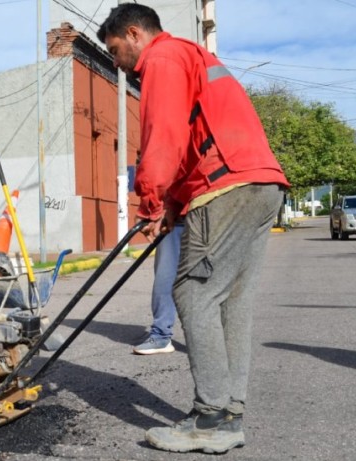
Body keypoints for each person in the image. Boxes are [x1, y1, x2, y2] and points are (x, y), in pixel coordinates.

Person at [98, 4, 289, 454]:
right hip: (260, 185)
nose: (115, 60)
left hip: (226, 188)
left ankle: (209, 417)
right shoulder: (192, 57)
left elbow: (163, 134)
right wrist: (171, 204)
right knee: (230, 303)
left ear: (134, 33)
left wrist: (149, 196)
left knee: (192, 293)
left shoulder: (161, 59)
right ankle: (229, 412)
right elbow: (192, 137)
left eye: (114, 50)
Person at [133, 223, 182, 355]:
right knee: (165, 275)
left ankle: (221, 338)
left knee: (208, 279)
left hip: (206, 215)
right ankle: (161, 335)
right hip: (175, 219)